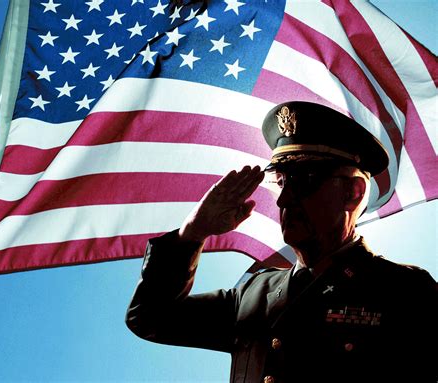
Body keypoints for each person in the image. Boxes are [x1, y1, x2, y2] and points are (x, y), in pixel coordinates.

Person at [126, 101, 437, 383]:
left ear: (353, 192)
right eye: (281, 183)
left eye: (303, 182)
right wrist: (193, 233)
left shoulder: (405, 290)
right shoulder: (253, 293)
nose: (284, 200)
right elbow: (150, 318)